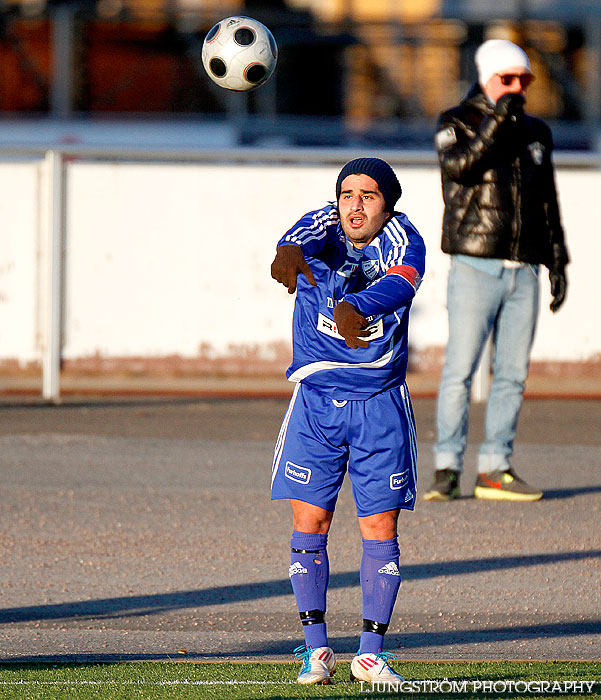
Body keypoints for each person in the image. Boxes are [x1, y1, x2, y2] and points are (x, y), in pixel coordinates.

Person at [270, 157, 425, 685]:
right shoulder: (323, 226)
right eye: (347, 193)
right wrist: (288, 254)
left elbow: (403, 281)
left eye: (370, 195)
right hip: (316, 404)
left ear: (389, 203)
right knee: (309, 523)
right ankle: (316, 651)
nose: (355, 204)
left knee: (379, 527)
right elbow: (298, 236)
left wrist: (360, 304)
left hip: (379, 405)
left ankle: (369, 654)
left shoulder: (405, 240)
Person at [424, 39, 570, 502]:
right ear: (487, 77)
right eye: (507, 79)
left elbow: (547, 201)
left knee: (512, 373)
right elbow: (460, 168)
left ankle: (495, 467)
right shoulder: (456, 122)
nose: (517, 88)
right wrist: (495, 123)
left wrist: (557, 259)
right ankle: (446, 467)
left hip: (522, 267)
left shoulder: (536, 132)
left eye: (523, 80)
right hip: (474, 265)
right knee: (460, 370)